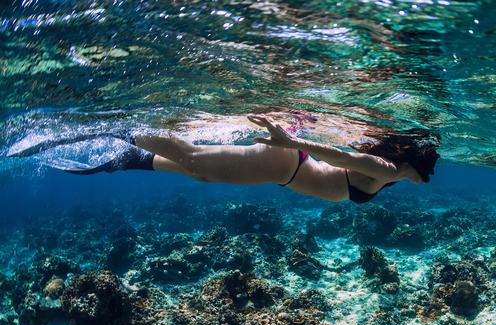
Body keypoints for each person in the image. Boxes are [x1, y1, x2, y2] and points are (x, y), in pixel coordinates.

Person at [8, 115, 440, 203]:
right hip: (289, 164)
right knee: (196, 161)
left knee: (202, 175)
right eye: (429, 174)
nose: (428, 181)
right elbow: (340, 154)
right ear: (417, 165)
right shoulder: (386, 170)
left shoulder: (397, 175)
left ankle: (124, 159)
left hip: (288, 168)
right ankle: (107, 128)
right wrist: (288, 142)